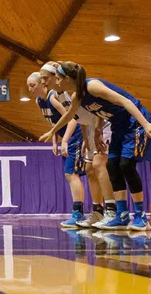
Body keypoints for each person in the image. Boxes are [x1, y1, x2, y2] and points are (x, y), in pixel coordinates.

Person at [40, 62, 151, 232]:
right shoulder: (77, 97)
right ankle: (122, 215)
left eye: (58, 79)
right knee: (112, 166)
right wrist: (55, 131)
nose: (57, 83)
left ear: (67, 79)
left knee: (126, 165)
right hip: (118, 125)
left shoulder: (93, 86)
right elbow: (71, 115)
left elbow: (125, 101)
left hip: (134, 122)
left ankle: (141, 216)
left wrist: (146, 124)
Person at [40, 62, 116, 229]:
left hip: (101, 123)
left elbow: (88, 113)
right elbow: (80, 117)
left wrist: (93, 132)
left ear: (56, 77)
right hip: (89, 128)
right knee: (89, 170)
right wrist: (85, 139)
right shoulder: (61, 94)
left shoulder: (69, 92)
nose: (43, 82)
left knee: (99, 165)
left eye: (46, 78)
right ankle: (98, 212)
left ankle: (112, 211)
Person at [28, 72, 86, 228]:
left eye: (32, 85)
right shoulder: (39, 101)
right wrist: (55, 140)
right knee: (70, 174)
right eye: (28, 86)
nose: (30, 89)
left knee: (72, 174)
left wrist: (65, 140)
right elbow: (55, 123)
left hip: (75, 135)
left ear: (42, 84)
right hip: (66, 137)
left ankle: (78, 214)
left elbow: (73, 118)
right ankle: (79, 213)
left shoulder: (53, 97)